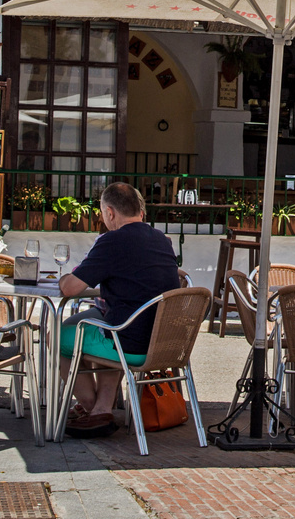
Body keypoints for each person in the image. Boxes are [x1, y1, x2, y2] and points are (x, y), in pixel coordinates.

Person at [57, 182, 182, 437]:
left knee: (57, 336)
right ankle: (101, 407)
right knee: (106, 322)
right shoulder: (162, 240)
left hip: (128, 344)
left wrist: (62, 278)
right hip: (163, 342)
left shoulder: (112, 241)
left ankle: (92, 407)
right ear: (141, 212)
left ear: (110, 213)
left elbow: (70, 288)